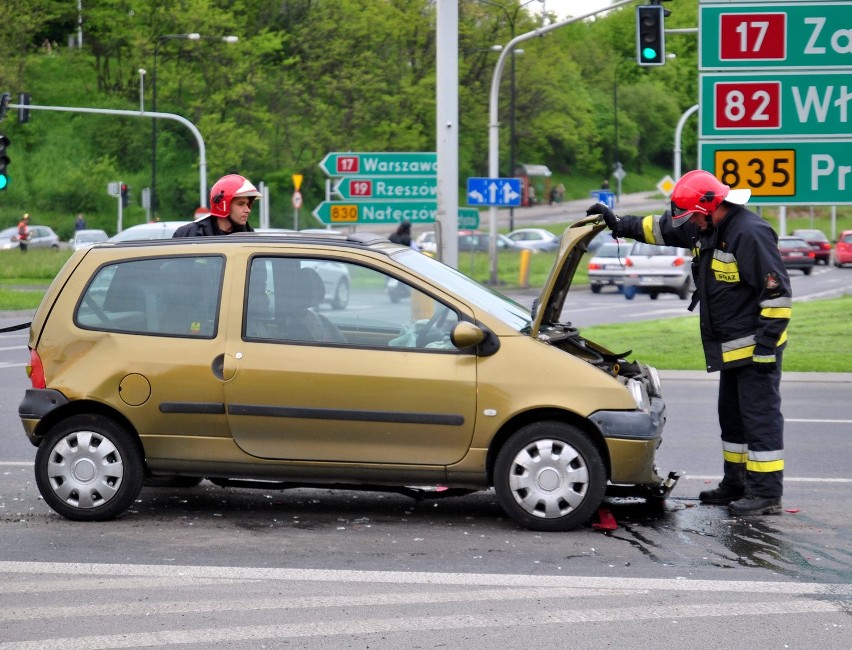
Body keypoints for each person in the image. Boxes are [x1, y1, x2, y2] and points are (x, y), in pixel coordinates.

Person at [586, 169, 792, 516]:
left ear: (710, 207)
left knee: (759, 421)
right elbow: (660, 227)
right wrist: (617, 222)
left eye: (694, 217)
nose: (690, 224)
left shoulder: (750, 233)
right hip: (731, 348)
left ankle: (766, 494)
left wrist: (766, 349)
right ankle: (736, 483)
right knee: (732, 419)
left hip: (757, 350)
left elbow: (776, 296)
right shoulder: (705, 225)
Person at [173, 174, 260, 237]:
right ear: (223, 205)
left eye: (247, 204)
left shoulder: (250, 238)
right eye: (241, 204)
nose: (248, 210)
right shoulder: (187, 234)